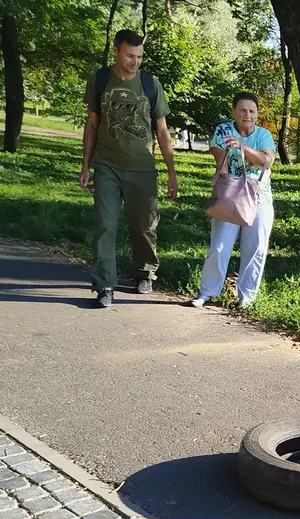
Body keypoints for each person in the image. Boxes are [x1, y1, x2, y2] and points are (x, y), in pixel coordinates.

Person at [79, 29, 178, 308]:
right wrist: (85, 164)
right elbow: (92, 124)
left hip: (142, 169)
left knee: (144, 227)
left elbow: (162, 131)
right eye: (130, 55)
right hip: (107, 165)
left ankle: (145, 272)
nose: (135, 62)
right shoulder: (99, 79)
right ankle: (104, 284)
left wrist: (171, 172)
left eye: (140, 57)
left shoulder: (150, 84)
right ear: (116, 51)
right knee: (105, 224)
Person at [190, 92, 276, 309]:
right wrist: (243, 153)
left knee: (255, 247)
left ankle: (246, 297)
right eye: (243, 110)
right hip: (230, 194)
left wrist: (243, 147)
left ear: (257, 114)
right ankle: (207, 292)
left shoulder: (263, 134)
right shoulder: (223, 130)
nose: (248, 115)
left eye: (252, 111)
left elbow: (267, 161)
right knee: (219, 246)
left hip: (259, 198)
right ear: (234, 111)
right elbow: (222, 163)